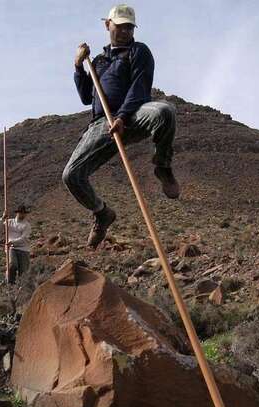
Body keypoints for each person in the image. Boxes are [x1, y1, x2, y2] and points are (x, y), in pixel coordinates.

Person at [64, 4, 180, 248]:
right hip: (100, 124)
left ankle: (163, 166)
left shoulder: (139, 51)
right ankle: (102, 212)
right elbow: (87, 97)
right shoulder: (98, 60)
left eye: (129, 27)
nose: (125, 31)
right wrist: (78, 66)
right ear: (108, 25)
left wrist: (123, 117)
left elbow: (140, 87)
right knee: (71, 175)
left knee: (165, 111)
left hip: (133, 115)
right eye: (120, 26)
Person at [0, 205, 32, 284]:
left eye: (24, 213)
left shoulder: (27, 225)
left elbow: (24, 238)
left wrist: (13, 241)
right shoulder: (9, 222)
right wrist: (2, 218)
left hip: (24, 249)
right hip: (11, 248)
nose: (23, 214)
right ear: (17, 213)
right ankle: (10, 283)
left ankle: (23, 288)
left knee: (24, 272)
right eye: (21, 213)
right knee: (12, 265)